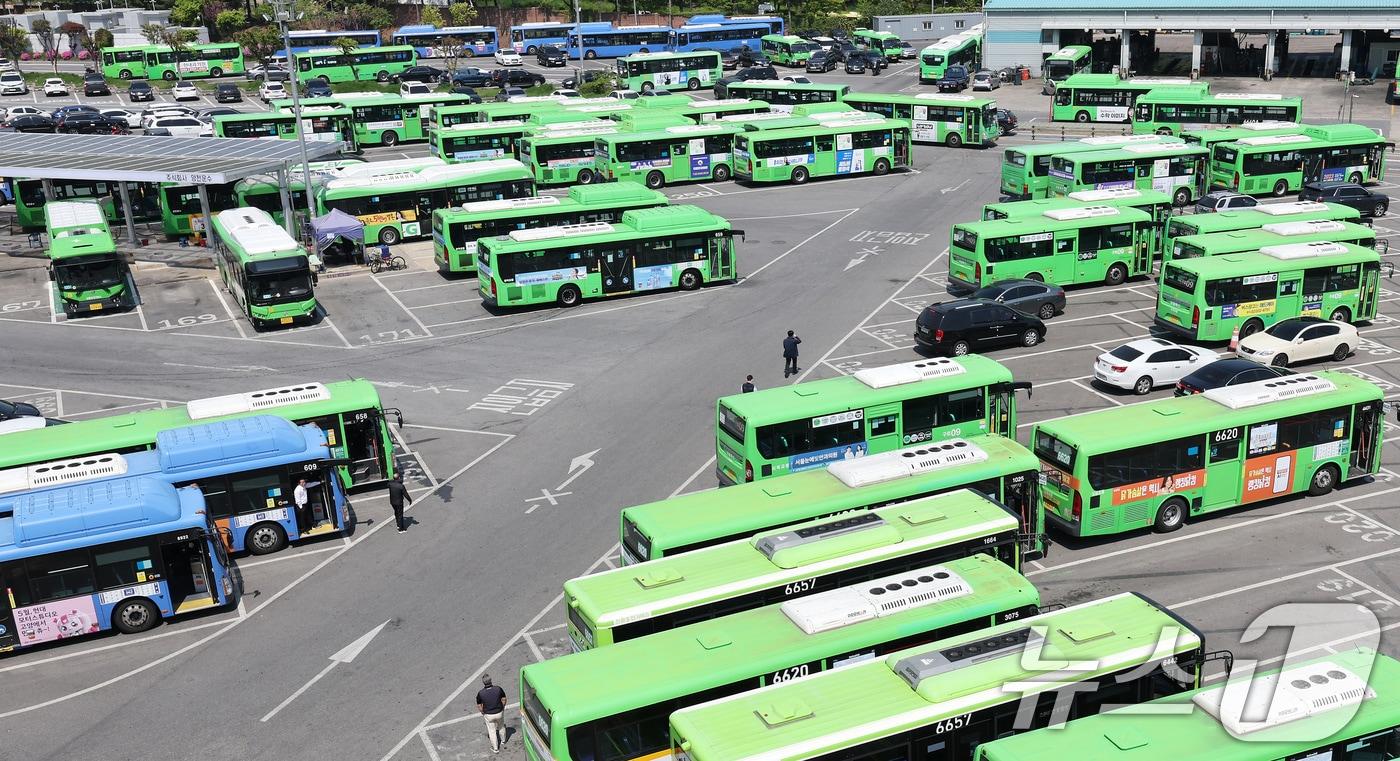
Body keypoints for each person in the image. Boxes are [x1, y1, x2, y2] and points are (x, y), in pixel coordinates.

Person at [476, 674, 507, 753]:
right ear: (491, 680)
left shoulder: (481, 693)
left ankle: (495, 748)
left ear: (483, 682)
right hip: (499, 712)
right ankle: (503, 741)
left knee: (492, 731)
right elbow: (504, 698)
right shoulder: (498, 689)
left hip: (489, 714)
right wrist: (502, 707)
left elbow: (479, 705)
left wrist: (483, 712)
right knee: (501, 726)